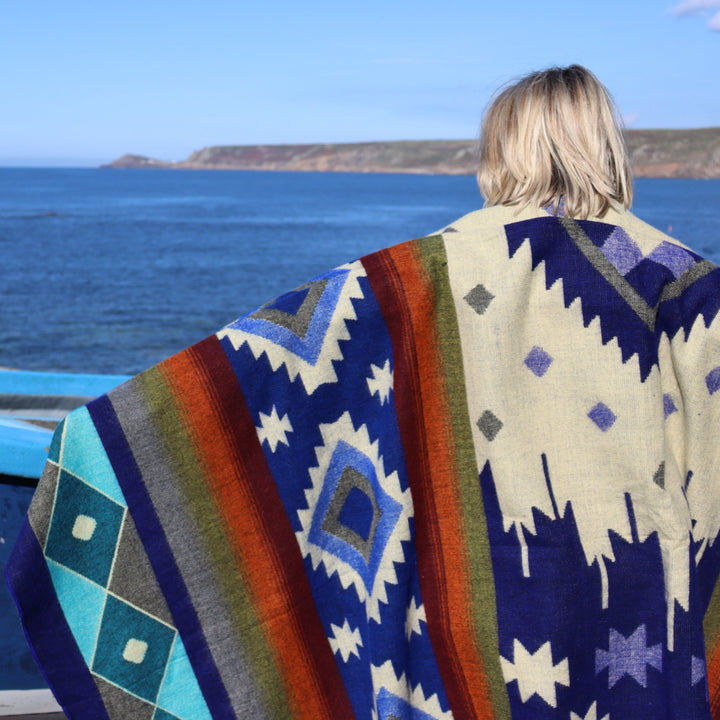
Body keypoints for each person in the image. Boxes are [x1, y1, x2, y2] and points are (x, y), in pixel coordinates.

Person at [8, 65, 720, 720]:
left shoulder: (406, 285)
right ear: (609, 149)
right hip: (648, 627)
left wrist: (95, 447)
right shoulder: (693, 291)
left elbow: (255, 371)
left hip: (467, 633)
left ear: (502, 152)